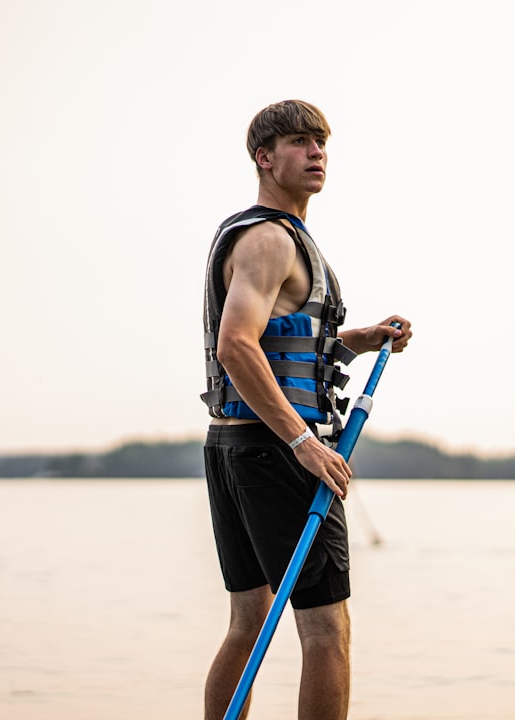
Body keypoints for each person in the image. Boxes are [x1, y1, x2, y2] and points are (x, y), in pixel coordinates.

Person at [200, 100, 412, 720]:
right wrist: (304, 443)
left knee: (248, 620)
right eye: (299, 142)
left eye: (321, 141)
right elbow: (236, 345)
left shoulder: (268, 237)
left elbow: (279, 344)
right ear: (264, 159)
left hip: (233, 447)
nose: (316, 152)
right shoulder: (269, 238)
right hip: (276, 453)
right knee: (327, 629)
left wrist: (360, 339)